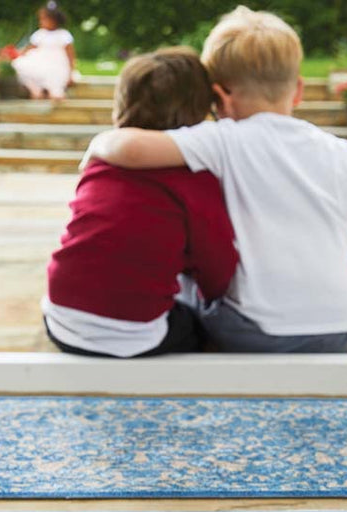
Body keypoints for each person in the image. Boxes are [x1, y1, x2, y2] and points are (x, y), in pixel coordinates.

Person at [82, 6, 347, 353]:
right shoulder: (343, 152)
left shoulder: (223, 139)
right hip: (338, 328)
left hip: (254, 331)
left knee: (185, 295)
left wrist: (98, 144)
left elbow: (132, 148)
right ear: (298, 90)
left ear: (221, 98)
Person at [43, 47, 238, 358]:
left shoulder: (102, 163)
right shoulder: (194, 178)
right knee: (202, 326)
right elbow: (217, 265)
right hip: (134, 333)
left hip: (60, 317)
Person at [4, 2, 76, 101]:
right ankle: (36, 90)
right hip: (40, 65)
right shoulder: (40, 34)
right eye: (40, 19)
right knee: (21, 65)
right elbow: (28, 50)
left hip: (57, 66)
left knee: (55, 88)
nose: (41, 22)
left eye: (44, 19)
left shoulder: (64, 35)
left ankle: (55, 92)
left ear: (54, 20)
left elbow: (70, 56)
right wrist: (13, 53)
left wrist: (71, 73)